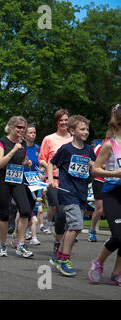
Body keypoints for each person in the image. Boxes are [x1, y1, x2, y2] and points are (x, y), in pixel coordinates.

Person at [47, 115, 96, 276]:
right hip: (68, 193)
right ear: (72, 131)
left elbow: (94, 171)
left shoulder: (89, 150)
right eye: (82, 129)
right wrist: (50, 180)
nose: (86, 132)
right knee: (76, 226)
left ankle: (58, 256)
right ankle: (64, 260)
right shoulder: (66, 149)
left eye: (87, 129)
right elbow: (51, 163)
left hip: (81, 193)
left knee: (71, 227)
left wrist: (92, 166)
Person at [88, 105, 121, 286]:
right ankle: (98, 262)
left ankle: (117, 273)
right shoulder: (110, 145)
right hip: (112, 193)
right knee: (120, 234)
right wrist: (115, 174)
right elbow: (95, 169)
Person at [0, 116, 35, 258]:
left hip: (17, 179)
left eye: (23, 128)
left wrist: (26, 162)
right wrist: (12, 151)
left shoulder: (22, 143)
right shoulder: (2, 142)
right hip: (3, 180)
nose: (22, 130)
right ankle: (3, 245)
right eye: (19, 127)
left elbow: (21, 160)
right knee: (5, 214)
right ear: (11, 127)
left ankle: (21, 244)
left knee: (25, 210)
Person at [38, 109, 73, 253]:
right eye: (61, 120)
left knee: (69, 214)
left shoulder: (73, 137)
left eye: (66, 120)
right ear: (56, 122)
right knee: (60, 211)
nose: (64, 123)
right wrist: (51, 167)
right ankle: (58, 241)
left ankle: (63, 239)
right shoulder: (49, 139)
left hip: (71, 181)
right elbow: (41, 159)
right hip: (54, 181)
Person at [88, 128, 114, 242]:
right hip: (99, 180)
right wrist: (105, 167)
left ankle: (114, 233)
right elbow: (92, 164)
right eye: (109, 137)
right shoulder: (99, 147)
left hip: (112, 180)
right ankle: (92, 231)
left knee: (112, 208)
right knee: (100, 209)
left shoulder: (116, 147)